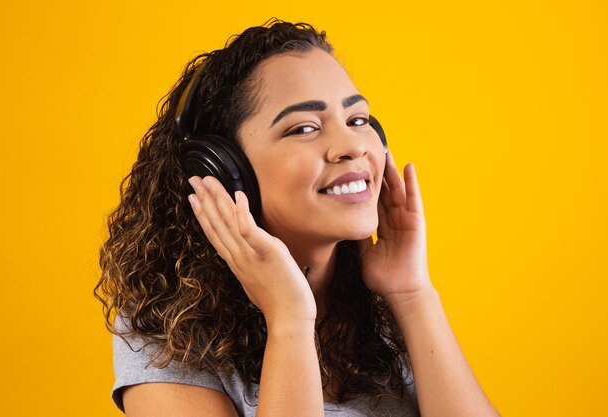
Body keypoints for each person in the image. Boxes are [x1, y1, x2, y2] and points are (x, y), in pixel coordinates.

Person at [95, 18, 501, 417]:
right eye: (304, 128)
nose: (351, 146)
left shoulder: (384, 311)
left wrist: (412, 294)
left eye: (357, 120)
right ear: (222, 169)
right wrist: (289, 320)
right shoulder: (168, 331)